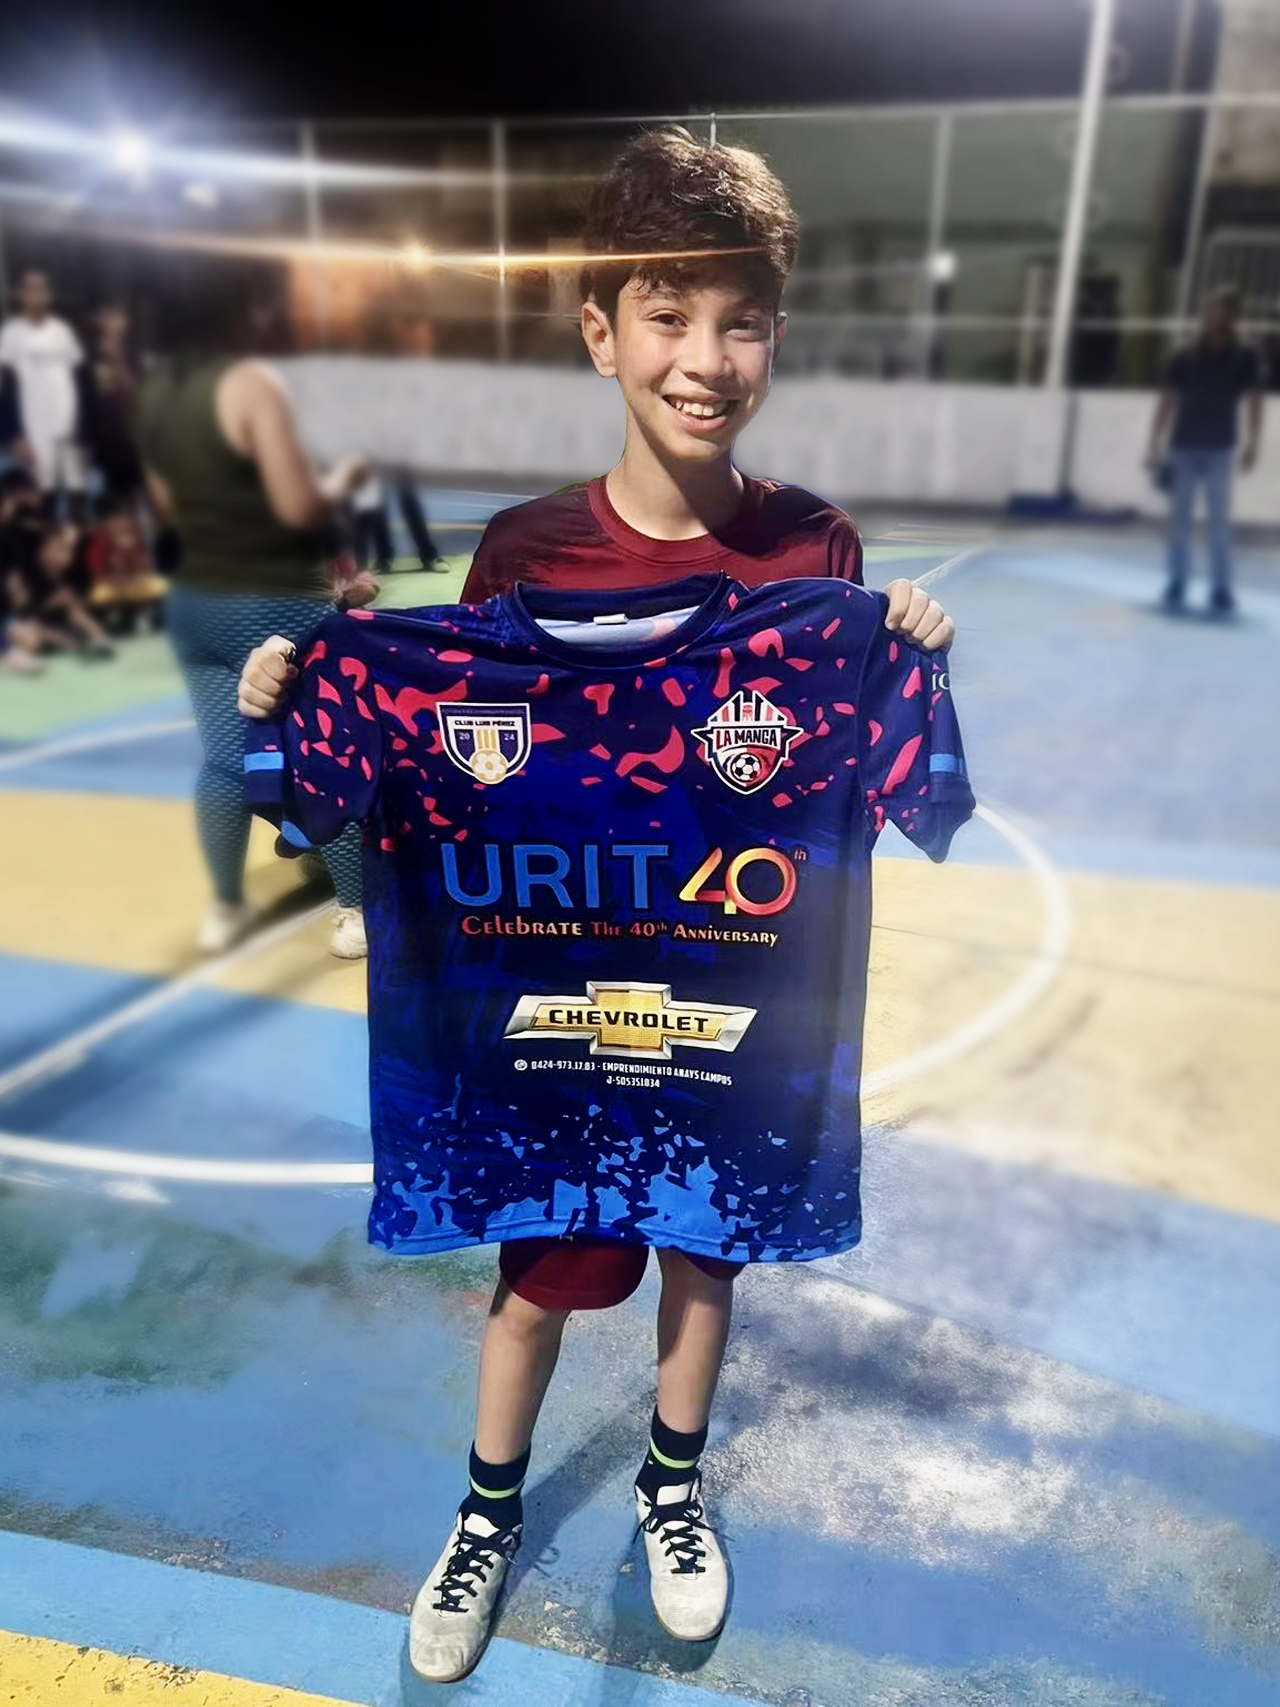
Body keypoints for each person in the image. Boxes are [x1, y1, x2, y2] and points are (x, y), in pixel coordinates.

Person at [237, 130, 960, 1683]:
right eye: (667, 315)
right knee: (538, 1280)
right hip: (552, 997)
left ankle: (670, 1486)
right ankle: (485, 1508)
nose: (705, 358)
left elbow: (837, 782)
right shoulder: (526, 550)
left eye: (740, 322)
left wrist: (900, 638)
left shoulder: (816, 549)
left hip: (732, 984)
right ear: (599, 330)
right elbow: (443, 770)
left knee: (704, 1251)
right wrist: (291, 703)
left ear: (777, 335)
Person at [137, 281, 377, 957]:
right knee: (323, 750)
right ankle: (356, 912)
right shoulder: (251, 385)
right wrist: (344, 480)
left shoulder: (156, 395)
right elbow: (298, 507)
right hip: (272, 596)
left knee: (224, 762)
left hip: (195, 599)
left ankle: (225, 906)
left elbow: (164, 507)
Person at [1147, 286, 1265, 616]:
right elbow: (1168, 399)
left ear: (1233, 316)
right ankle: (1177, 580)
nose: (1209, 317)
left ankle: (1221, 587)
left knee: (1219, 522)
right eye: (1206, 311)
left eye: (1217, 311)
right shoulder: (1184, 355)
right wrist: (1153, 441)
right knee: (1179, 520)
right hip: (1182, 447)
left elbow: (1255, 400)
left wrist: (1253, 442)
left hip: (1220, 449)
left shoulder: (1245, 356)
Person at [0, 269, 88, 521]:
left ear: (49, 295)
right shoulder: (10, 333)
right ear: (20, 295)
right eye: (30, 289)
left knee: (77, 494)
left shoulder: (63, 331)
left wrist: (84, 429)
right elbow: (5, 387)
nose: (36, 295)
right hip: (34, 428)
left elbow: (79, 380)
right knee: (43, 498)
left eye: (41, 289)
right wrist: (14, 434)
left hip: (68, 426)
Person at [4, 522, 113, 658]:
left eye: (69, 550)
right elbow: (23, 614)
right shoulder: (21, 576)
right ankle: (78, 647)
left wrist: (67, 600)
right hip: (27, 623)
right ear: (40, 551)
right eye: (59, 549)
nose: (67, 556)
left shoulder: (63, 573)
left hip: (57, 620)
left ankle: (100, 638)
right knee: (33, 633)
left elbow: (75, 603)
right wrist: (52, 603)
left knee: (74, 608)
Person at [83, 500, 167, 632]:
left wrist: (130, 553)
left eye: (124, 518)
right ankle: (115, 619)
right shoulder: (99, 542)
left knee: (160, 585)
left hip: (133, 582)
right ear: (106, 523)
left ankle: (146, 614)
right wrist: (121, 580)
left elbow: (146, 568)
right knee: (99, 594)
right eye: (116, 519)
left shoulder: (135, 538)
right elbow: (97, 576)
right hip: (111, 586)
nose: (121, 524)